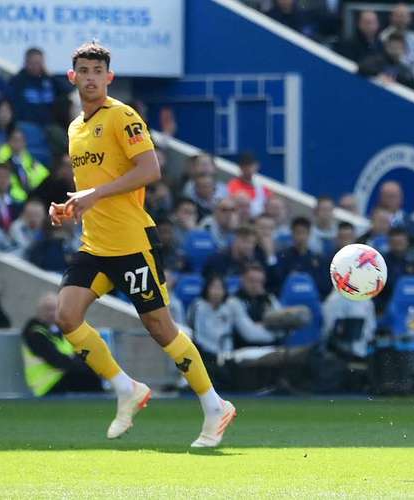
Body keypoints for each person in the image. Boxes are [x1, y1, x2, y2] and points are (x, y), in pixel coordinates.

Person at [48, 43, 235, 448]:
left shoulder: (123, 116)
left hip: (132, 243)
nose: (92, 76)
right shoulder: (75, 128)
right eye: (84, 70)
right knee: (66, 316)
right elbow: (94, 189)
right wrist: (70, 207)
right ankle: (125, 388)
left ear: (109, 77)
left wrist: (94, 194)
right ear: (73, 77)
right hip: (95, 244)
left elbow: (149, 170)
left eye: (98, 70)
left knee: (159, 326)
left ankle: (214, 404)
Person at [21, 293, 102, 396]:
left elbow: (80, 352)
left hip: (62, 377)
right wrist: (77, 362)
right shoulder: (34, 333)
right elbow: (56, 359)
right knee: (88, 377)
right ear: (39, 312)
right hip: (47, 385)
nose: (51, 313)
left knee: (91, 368)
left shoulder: (60, 330)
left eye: (55, 309)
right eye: (47, 309)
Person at [226, 152, 270, 217]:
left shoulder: (262, 187)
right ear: (240, 167)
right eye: (245, 166)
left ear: (257, 166)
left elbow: (268, 205)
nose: (249, 169)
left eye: (251, 166)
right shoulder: (232, 185)